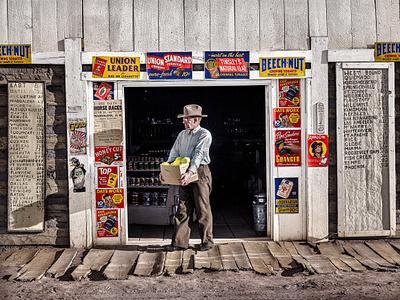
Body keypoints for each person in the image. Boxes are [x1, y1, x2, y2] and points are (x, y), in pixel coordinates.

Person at [161, 104, 213, 252]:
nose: (183, 122)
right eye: (183, 119)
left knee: (202, 208)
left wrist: (190, 172)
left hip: (200, 172)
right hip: (183, 170)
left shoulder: (204, 134)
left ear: (196, 120)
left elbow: (199, 155)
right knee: (182, 207)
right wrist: (166, 168)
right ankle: (179, 243)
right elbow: (174, 152)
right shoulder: (182, 134)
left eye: (186, 120)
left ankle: (207, 242)